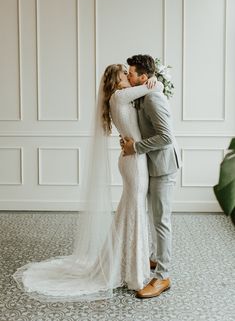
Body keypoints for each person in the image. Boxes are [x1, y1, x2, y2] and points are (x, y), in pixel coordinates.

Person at [13, 63, 163, 301]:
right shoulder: (121, 96)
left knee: (130, 212)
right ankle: (134, 273)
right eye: (124, 73)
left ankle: (128, 265)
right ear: (116, 80)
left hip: (133, 159)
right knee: (133, 212)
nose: (128, 75)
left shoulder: (119, 98)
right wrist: (155, 81)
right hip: (133, 163)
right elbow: (154, 86)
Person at [122, 54, 181, 299]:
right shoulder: (142, 93)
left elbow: (166, 137)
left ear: (143, 77)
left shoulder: (153, 98)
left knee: (161, 220)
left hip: (164, 167)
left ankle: (163, 276)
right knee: (156, 217)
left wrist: (135, 147)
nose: (127, 76)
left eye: (131, 73)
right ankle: (155, 259)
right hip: (152, 165)